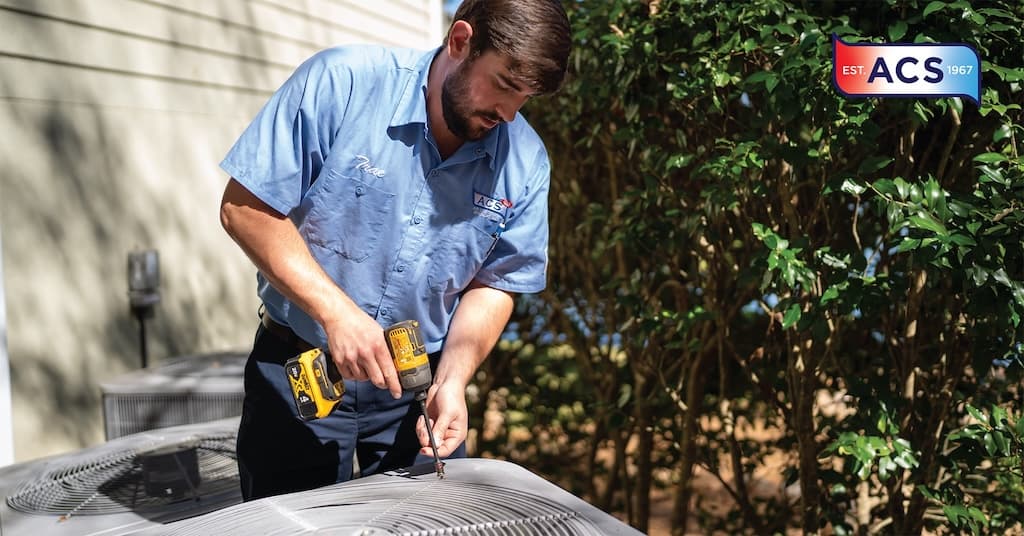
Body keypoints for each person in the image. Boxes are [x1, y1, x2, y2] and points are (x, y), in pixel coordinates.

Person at [218, 0, 571, 500]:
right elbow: (244, 210)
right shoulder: (342, 83)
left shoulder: (527, 161)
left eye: (526, 97)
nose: (509, 113)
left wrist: (453, 379)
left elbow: (495, 283)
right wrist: (337, 315)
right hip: (302, 372)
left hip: (416, 391)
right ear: (460, 41)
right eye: (505, 85)